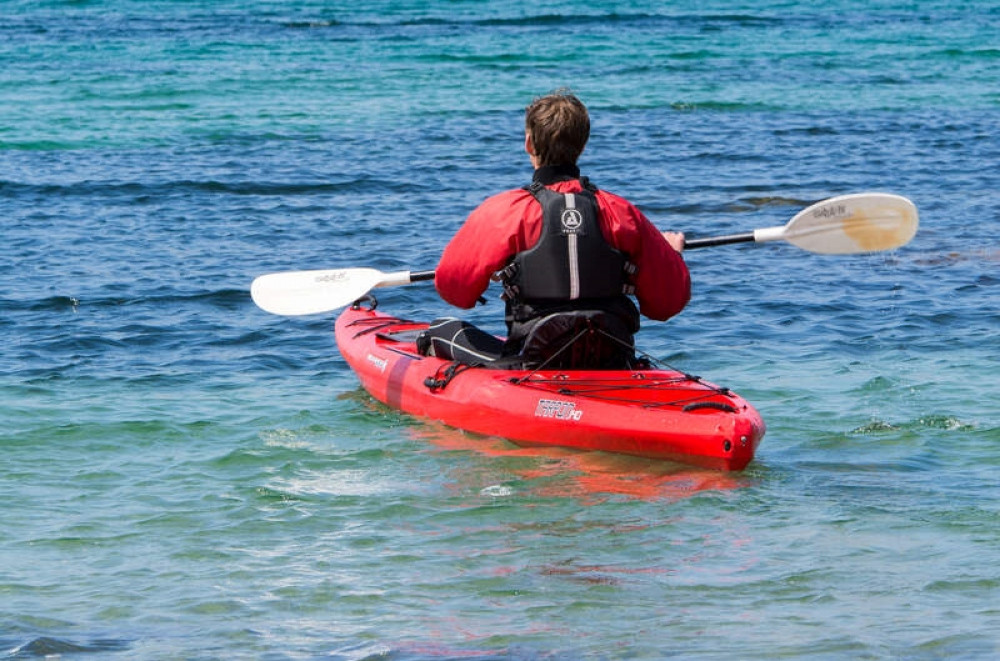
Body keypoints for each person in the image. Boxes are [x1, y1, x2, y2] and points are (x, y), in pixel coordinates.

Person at [420, 91, 690, 369]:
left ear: (528, 144)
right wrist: (673, 255)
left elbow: (454, 291)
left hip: (533, 364)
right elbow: (666, 304)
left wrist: (494, 272)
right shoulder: (622, 213)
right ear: (582, 145)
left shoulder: (505, 211)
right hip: (612, 357)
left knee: (443, 329)